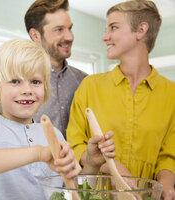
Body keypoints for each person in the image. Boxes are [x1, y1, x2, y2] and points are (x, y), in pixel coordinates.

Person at [0, 39, 116, 200]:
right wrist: (38, 153)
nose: (27, 90)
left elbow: (74, 195)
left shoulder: (55, 135)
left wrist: (92, 165)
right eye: (15, 81)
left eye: (35, 82)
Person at [66, 0, 175, 199]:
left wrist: (166, 187)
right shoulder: (90, 86)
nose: (105, 37)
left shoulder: (171, 94)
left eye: (113, 27)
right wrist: (115, 169)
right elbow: (75, 145)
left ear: (141, 30)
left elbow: (168, 156)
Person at [0, 0, 87, 138]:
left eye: (70, 28)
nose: (69, 37)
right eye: (59, 29)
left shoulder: (83, 80)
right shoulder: (12, 83)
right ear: (35, 35)